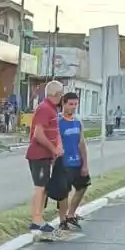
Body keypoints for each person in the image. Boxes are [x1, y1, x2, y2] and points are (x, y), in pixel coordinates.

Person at [26, 79, 65, 236]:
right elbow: (38, 134)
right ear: (56, 94)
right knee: (40, 187)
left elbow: (54, 131)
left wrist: (59, 146)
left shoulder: (52, 109)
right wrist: (53, 148)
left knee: (44, 187)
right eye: (61, 94)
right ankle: (36, 220)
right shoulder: (44, 109)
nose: (62, 97)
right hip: (38, 154)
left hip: (46, 155)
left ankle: (39, 217)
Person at [57, 92, 90, 231]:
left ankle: (71, 214)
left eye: (75, 104)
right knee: (63, 192)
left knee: (83, 187)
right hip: (63, 163)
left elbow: (81, 143)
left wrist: (85, 164)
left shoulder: (77, 121)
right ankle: (62, 219)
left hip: (77, 161)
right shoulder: (57, 121)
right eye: (70, 104)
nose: (73, 107)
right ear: (63, 104)